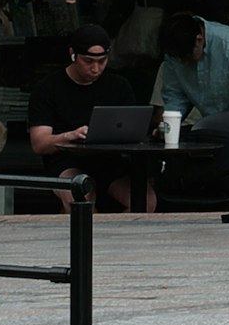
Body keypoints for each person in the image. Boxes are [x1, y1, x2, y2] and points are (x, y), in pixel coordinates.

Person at [26, 27, 150, 211]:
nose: (95, 68)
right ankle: (89, 236)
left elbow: (133, 129)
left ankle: (115, 237)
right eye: (88, 61)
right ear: (73, 54)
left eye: (102, 61)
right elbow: (39, 144)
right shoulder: (48, 88)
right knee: (80, 197)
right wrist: (70, 135)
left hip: (111, 161)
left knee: (145, 201)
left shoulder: (118, 85)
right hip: (67, 160)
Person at [151, 9, 229, 142]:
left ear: (199, 40)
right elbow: (175, 99)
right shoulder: (174, 55)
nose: (183, 62)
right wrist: (166, 128)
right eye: (178, 58)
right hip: (211, 127)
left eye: (186, 57)